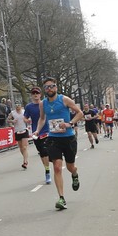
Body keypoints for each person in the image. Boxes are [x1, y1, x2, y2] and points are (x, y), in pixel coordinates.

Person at [40, 79, 83, 210]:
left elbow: (80, 113)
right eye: (46, 87)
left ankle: (74, 174)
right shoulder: (43, 103)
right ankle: (61, 198)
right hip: (53, 138)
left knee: (70, 167)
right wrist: (36, 130)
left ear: (56, 87)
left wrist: (70, 123)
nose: (49, 89)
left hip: (68, 138)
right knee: (57, 167)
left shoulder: (64, 99)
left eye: (51, 86)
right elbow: (42, 118)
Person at [25, 88, 52, 184]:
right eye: (33, 93)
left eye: (37, 93)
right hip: (36, 133)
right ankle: (47, 169)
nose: (35, 95)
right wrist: (27, 120)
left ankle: (48, 171)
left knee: (45, 151)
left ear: (40, 94)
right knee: (42, 153)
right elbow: (25, 117)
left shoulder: (45, 103)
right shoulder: (29, 107)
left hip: (46, 130)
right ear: (31, 95)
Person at [8, 101, 31, 169]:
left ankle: (25, 161)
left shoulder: (24, 112)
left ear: (21, 106)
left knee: (24, 147)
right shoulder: (13, 113)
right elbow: (8, 120)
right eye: (16, 105)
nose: (17, 106)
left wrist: (28, 121)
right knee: (21, 148)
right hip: (17, 131)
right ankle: (25, 158)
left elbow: (28, 118)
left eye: (18, 105)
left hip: (24, 130)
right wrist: (12, 121)